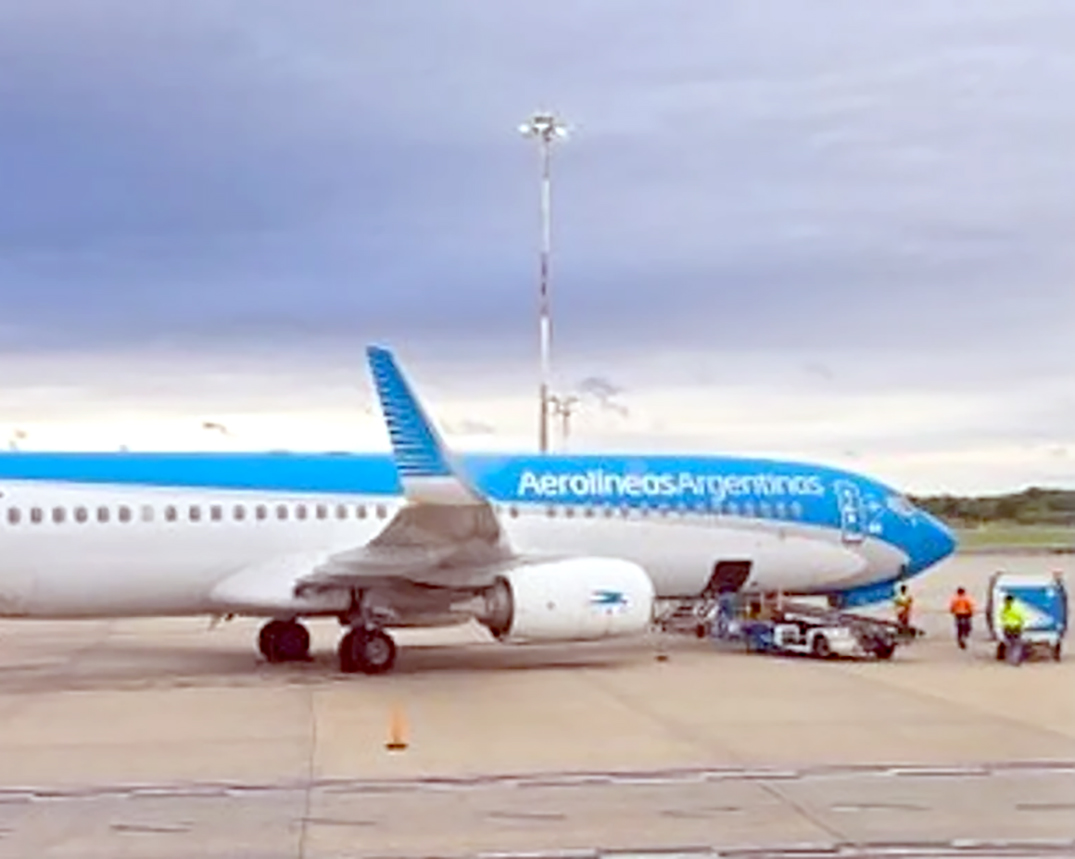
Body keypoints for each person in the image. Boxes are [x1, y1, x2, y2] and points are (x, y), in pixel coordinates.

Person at [999, 594, 1026, 666]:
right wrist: (1022, 625)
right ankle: (1015, 660)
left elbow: (1002, 617)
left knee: (1010, 644)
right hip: (1016, 627)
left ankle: (1010, 659)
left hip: (1007, 627)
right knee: (1017, 645)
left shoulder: (1004, 608)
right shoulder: (1017, 607)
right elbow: (1022, 617)